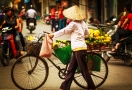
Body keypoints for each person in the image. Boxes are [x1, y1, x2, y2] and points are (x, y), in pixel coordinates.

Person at [48, 5, 96, 90]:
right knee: (71, 69)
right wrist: (80, 36)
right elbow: (87, 34)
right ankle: (64, 87)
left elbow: (64, 30)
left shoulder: (73, 24)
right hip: (79, 49)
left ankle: (92, 87)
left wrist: (53, 34)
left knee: (83, 70)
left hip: (79, 49)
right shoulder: (83, 23)